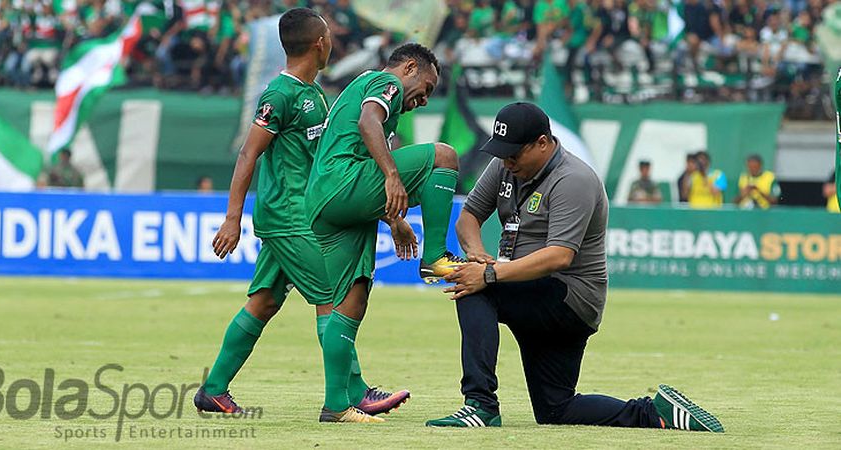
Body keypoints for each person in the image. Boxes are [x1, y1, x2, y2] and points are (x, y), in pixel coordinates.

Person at [426, 102, 724, 433]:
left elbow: (559, 256)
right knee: (557, 408)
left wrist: (488, 274)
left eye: (514, 154)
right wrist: (478, 254)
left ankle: (479, 404)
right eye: (503, 154)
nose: (507, 162)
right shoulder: (505, 166)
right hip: (531, 290)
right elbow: (469, 215)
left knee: (472, 289)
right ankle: (654, 413)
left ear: (542, 143)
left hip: (569, 298)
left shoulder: (574, 178)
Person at [196, 8, 410, 417]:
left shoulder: (314, 94)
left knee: (262, 302)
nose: (332, 42)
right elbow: (248, 153)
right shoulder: (279, 94)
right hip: (290, 214)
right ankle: (353, 394)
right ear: (319, 43)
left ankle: (214, 389)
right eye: (329, 36)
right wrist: (231, 217)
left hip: (299, 212)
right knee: (334, 295)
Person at [306, 43, 464, 423]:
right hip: (343, 183)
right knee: (444, 156)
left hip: (324, 201)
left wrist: (394, 219)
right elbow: (367, 123)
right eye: (425, 88)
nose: (424, 100)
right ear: (409, 68)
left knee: (349, 299)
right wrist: (393, 176)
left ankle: (337, 405)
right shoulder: (383, 83)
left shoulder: (365, 88)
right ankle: (435, 257)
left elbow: (366, 139)